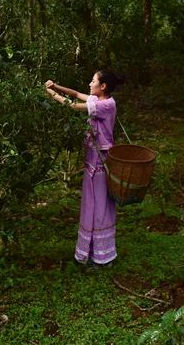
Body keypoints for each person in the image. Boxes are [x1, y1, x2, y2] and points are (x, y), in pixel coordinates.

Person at [45, 70, 124, 266]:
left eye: (93, 81)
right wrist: (56, 86)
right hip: (92, 159)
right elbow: (75, 94)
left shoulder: (106, 105)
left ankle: (102, 255)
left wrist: (50, 93)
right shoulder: (97, 100)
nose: (90, 84)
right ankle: (89, 251)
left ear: (103, 86)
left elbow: (72, 105)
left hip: (101, 160)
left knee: (100, 206)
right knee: (91, 204)